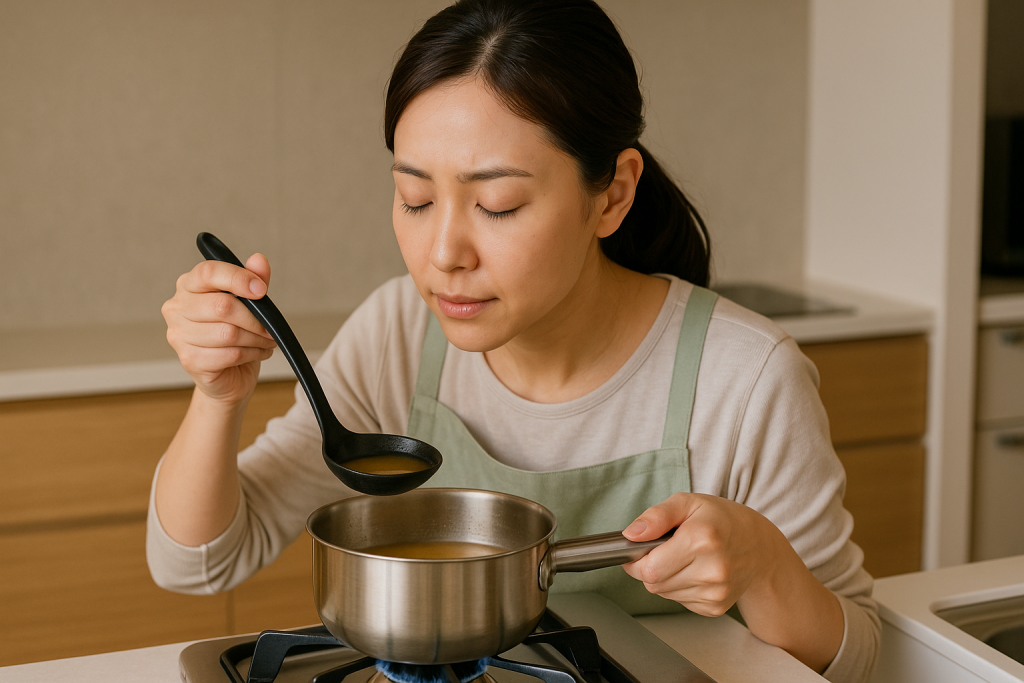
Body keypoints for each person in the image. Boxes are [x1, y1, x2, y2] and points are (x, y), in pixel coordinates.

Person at [147, 1, 879, 681]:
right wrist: (217, 396)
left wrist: (765, 565)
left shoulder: (745, 377)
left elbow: (856, 658)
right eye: (415, 198)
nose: (443, 254)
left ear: (613, 194)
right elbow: (197, 562)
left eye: (497, 205)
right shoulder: (396, 334)